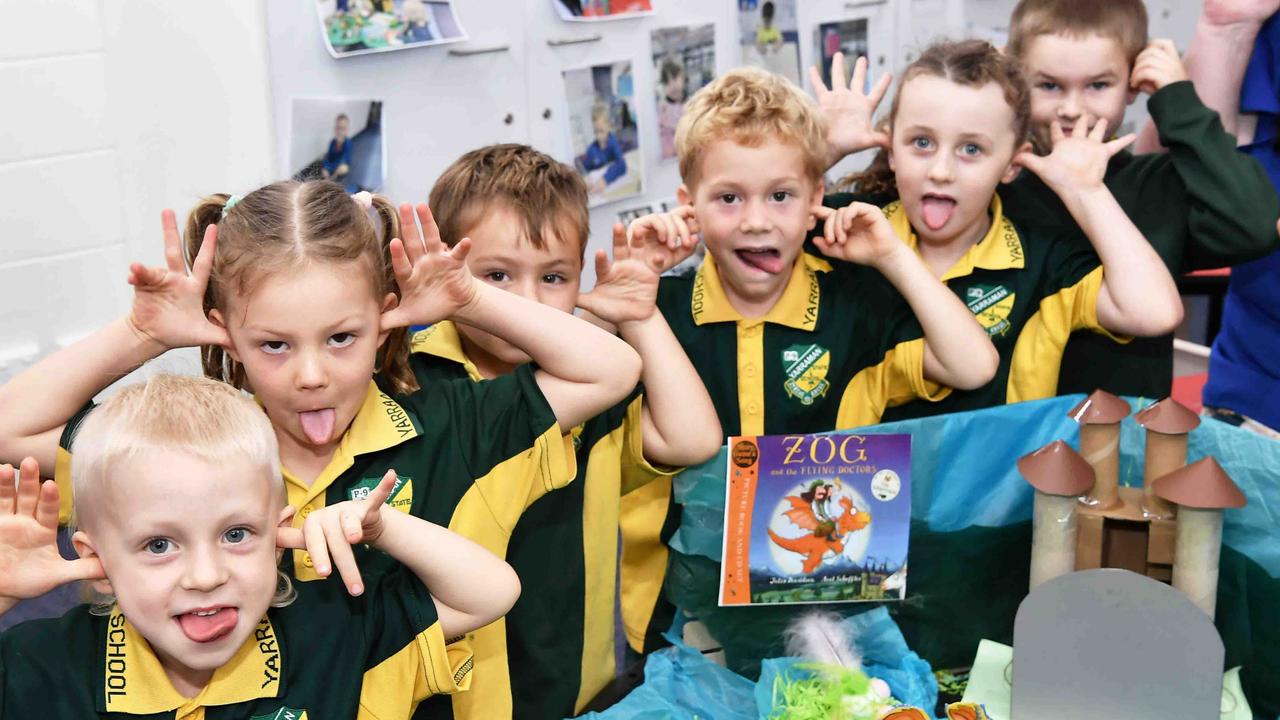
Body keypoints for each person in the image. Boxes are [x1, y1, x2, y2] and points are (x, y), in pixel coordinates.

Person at [0, 181, 642, 709]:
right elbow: (13, 429)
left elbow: (609, 370)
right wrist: (144, 331)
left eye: (341, 338)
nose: (312, 375)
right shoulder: (205, 458)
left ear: (386, 315)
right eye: (274, 345)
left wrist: (468, 300)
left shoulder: (451, 420)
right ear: (226, 335)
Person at [619, 66, 999, 653]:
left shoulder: (856, 302)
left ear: (816, 199)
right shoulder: (656, 310)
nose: (756, 220)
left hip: (835, 604)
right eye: (727, 198)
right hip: (685, 613)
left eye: (781, 195)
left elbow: (972, 366)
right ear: (686, 207)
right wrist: (629, 290)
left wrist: (893, 256)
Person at [0, 374, 520, 716]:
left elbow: (488, 594)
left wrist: (385, 530)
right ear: (97, 561)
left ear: (278, 539)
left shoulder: (337, 626)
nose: (206, 576)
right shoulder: (41, 667)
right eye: (159, 545)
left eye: (236, 535)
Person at [412, 143, 721, 719]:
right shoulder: (416, 381)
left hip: (575, 682)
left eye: (553, 277)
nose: (528, 301)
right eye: (496, 276)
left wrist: (639, 314)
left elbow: (692, 440)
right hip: (453, 690)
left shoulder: (588, 382)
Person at [816, 42, 1183, 419]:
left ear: (1011, 164)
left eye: (971, 149)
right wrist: (822, 151)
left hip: (1004, 477)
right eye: (921, 143)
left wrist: (1086, 191)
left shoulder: (1043, 261)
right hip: (860, 477)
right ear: (892, 148)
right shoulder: (848, 227)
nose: (941, 170)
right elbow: (761, 222)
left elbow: (1154, 312)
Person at [999, 0, 1280, 398]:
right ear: (1016, 81)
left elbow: (1252, 226)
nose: (1072, 109)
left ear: (1133, 84)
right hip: (1003, 441)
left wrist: (1178, 100)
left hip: (1125, 444)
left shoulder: (1154, 186)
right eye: (1049, 85)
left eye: (1098, 85)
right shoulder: (991, 185)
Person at [582, 102, 628, 194]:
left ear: (609, 127)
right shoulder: (591, 149)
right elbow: (585, 168)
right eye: (596, 132)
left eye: (601, 131)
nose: (598, 136)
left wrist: (605, 180)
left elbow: (622, 164)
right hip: (596, 189)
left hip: (611, 187)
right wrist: (585, 178)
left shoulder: (613, 142)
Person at [658, 59, 687, 160]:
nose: (672, 85)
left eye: (675, 79)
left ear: (683, 78)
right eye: (667, 82)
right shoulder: (662, 109)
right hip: (670, 157)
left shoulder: (691, 105)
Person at [322, 113, 353, 189]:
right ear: (335, 129)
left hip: (340, 166)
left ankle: (334, 180)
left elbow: (345, 159)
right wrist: (326, 167)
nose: (340, 131)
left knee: (343, 168)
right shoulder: (333, 142)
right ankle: (329, 180)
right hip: (332, 165)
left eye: (343, 129)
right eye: (338, 128)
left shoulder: (348, 143)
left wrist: (340, 145)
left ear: (347, 130)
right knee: (324, 165)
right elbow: (329, 157)